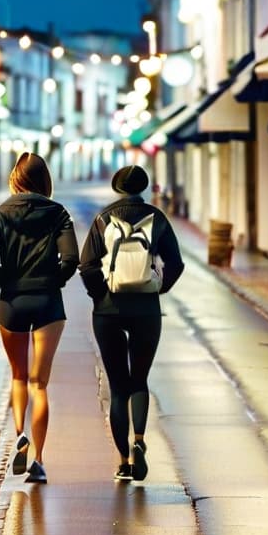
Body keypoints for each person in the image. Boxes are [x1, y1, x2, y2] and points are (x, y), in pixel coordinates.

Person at [78, 164, 184, 482]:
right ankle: (139, 441)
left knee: (117, 387)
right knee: (139, 380)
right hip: (145, 310)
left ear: (117, 187)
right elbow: (176, 263)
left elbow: (86, 265)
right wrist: (157, 289)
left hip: (108, 311)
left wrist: (100, 297)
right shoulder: (157, 219)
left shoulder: (102, 219)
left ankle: (124, 461)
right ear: (143, 186)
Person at [0, 151, 79, 484]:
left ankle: (20, 433)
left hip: (12, 302)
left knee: (18, 376)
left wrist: (1, 281)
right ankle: (38, 460)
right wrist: (55, 281)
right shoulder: (58, 213)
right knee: (41, 383)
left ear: (16, 179)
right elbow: (71, 258)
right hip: (49, 303)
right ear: (44, 181)